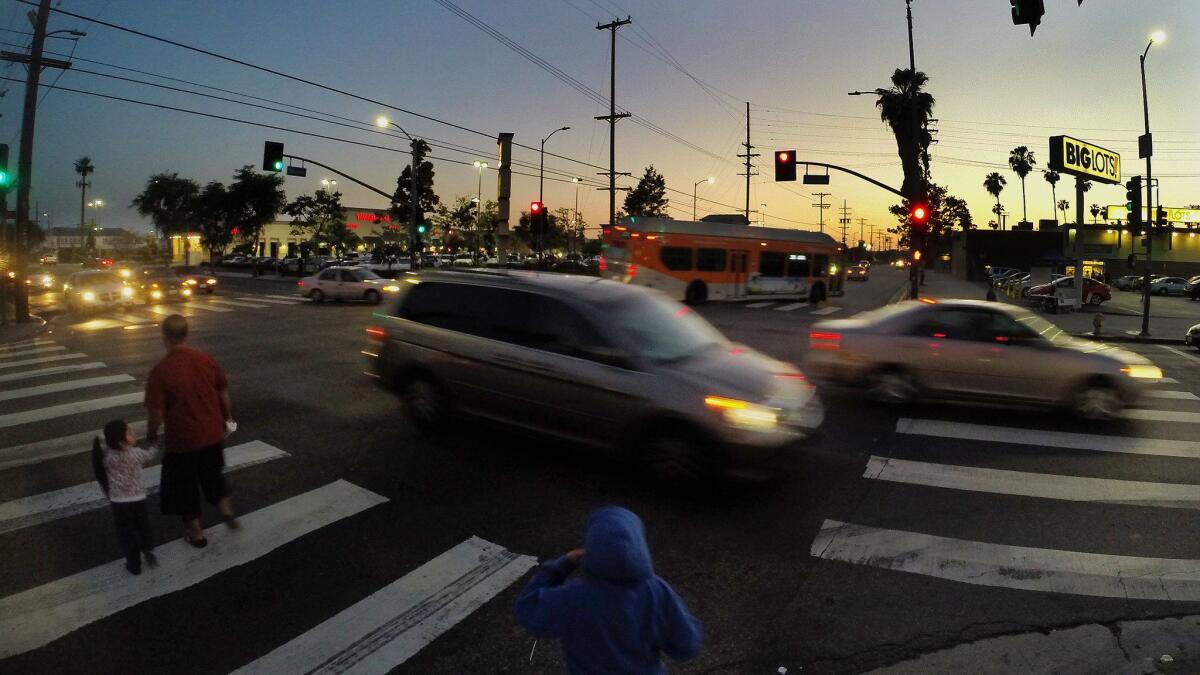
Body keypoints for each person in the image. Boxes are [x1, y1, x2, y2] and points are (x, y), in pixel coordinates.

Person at [515, 506, 703, 674]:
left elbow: (527, 609)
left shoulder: (574, 597)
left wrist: (561, 565)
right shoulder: (657, 592)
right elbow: (687, 645)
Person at [144, 314, 237, 548]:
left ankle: (196, 533)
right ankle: (225, 508)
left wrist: (152, 434)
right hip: (212, 432)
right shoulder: (206, 359)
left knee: (183, 485)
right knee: (211, 473)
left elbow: (155, 413)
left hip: (183, 440)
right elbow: (223, 391)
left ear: (164, 337)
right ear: (186, 334)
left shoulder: (161, 370)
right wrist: (226, 417)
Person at [92, 419, 159, 575]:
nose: (134, 432)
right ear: (122, 441)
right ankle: (147, 547)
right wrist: (155, 444)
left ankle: (133, 564)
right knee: (143, 525)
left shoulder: (108, 458)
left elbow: (101, 443)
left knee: (126, 532)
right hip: (138, 499)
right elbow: (150, 455)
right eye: (129, 431)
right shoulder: (136, 454)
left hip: (119, 502)